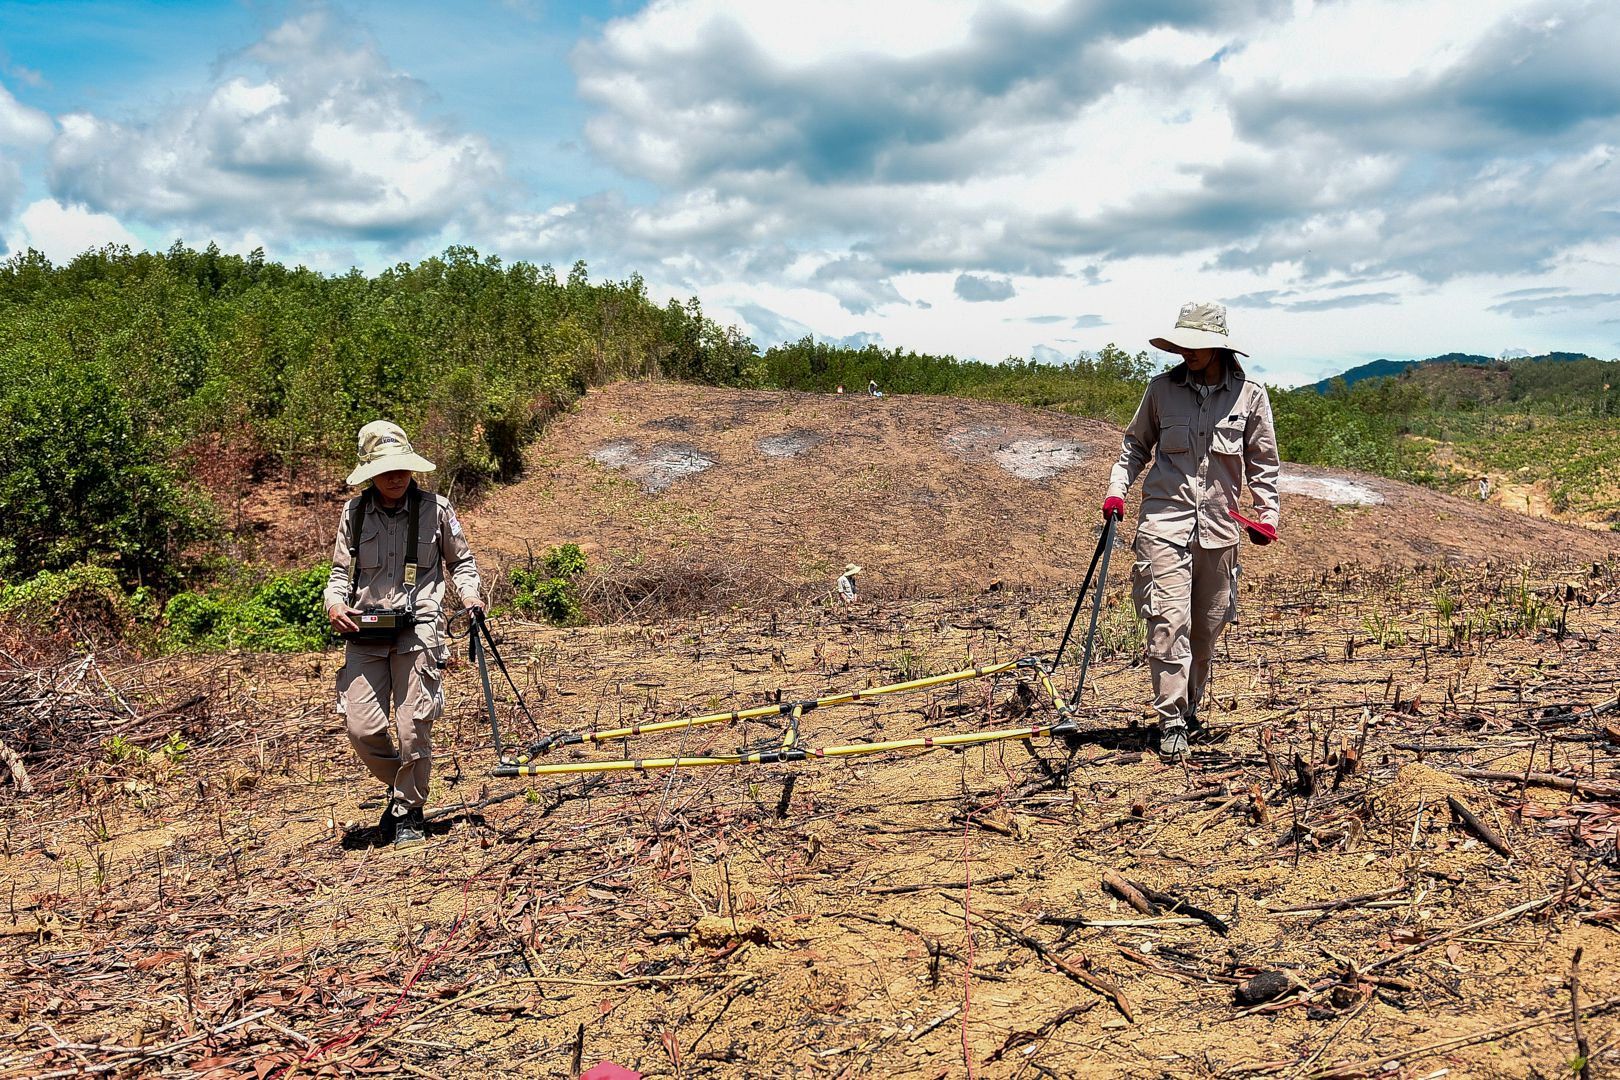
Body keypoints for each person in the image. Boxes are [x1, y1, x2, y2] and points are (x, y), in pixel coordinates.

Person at [1103, 301, 1279, 761]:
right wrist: (1117, 491)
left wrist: (1266, 515)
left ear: (1220, 346)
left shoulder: (1251, 396)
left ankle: (1192, 707)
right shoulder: (1161, 390)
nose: (1188, 351)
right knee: (1169, 621)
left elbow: (1264, 464)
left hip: (1220, 530)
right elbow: (1134, 446)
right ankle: (1172, 719)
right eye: (1183, 343)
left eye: (1198, 345)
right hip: (1164, 522)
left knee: (1206, 629)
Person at [324, 421, 485, 844]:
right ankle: (401, 790)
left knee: (414, 724)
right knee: (362, 729)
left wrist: (470, 597)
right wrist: (335, 604)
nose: (396, 476)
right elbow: (340, 573)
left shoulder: (437, 508)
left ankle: (409, 811)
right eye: (386, 469)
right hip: (366, 631)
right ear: (370, 472)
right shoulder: (354, 514)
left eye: (402, 467)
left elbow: (462, 563)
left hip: (420, 629)